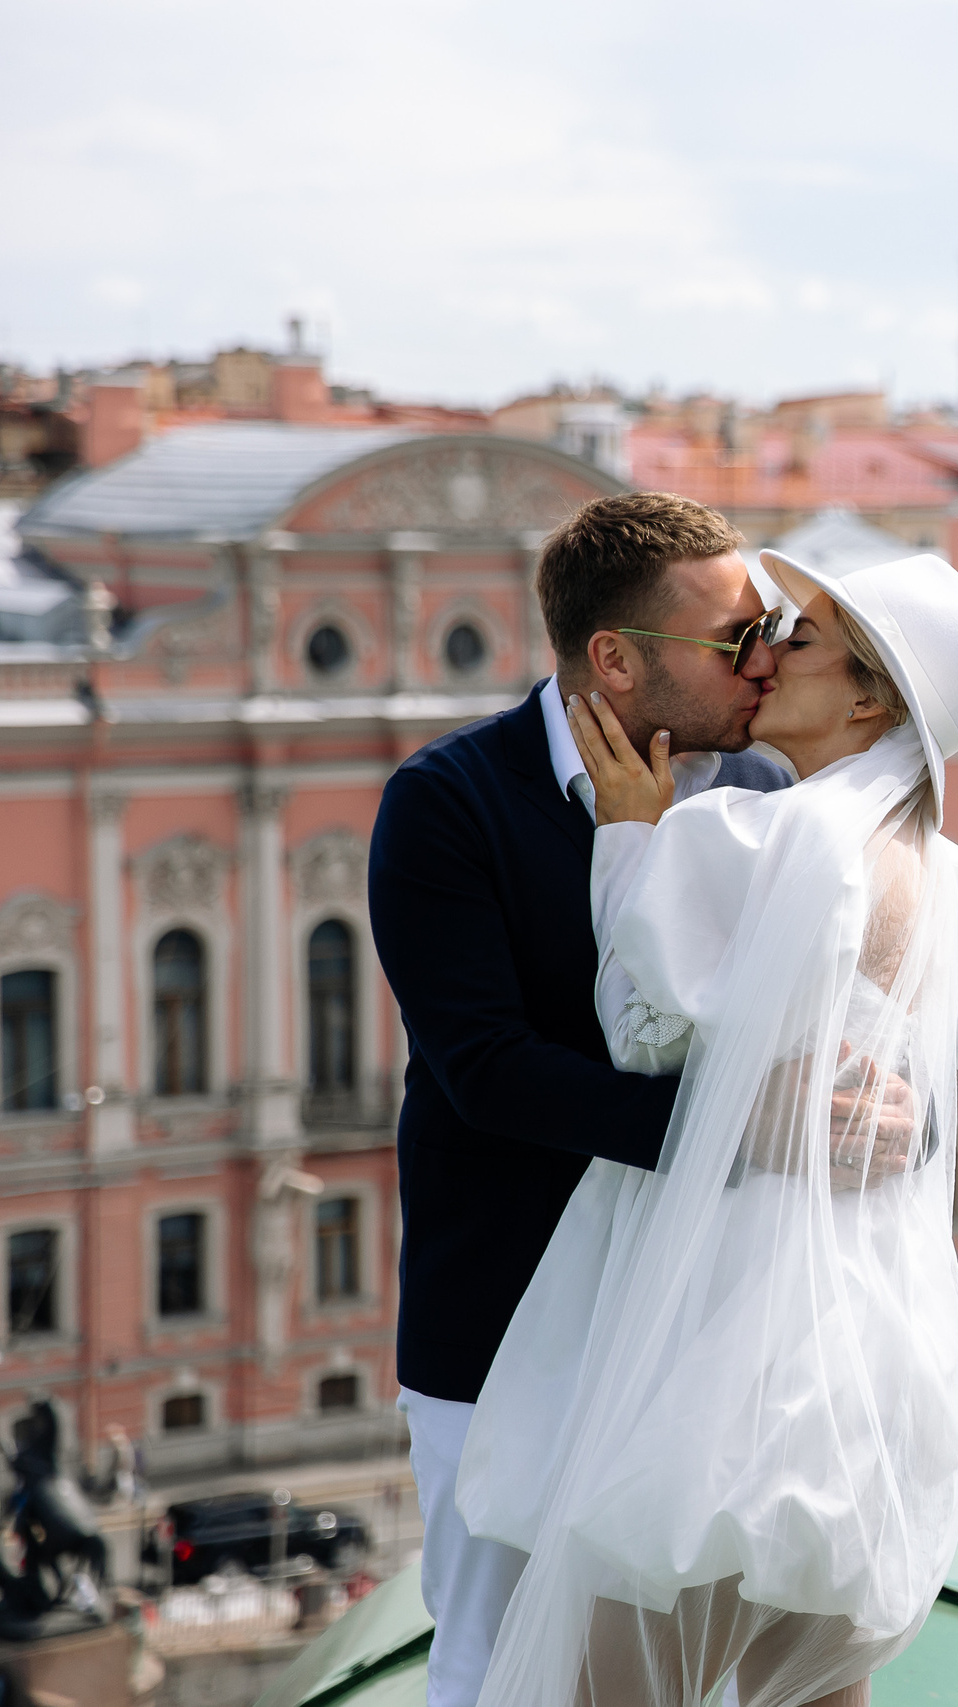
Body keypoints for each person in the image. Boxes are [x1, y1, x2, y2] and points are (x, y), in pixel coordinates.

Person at [456, 548, 958, 1707]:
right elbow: (919, 1078)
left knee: (616, 1682)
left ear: (869, 696)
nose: (763, 659)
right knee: (814, 1688)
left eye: (799, 639)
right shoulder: (957, 883)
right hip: (867, 1336)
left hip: (721, 1322)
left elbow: (641, 1031)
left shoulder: (752, 843)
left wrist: (630, 838)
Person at [369, 493, 818, 1707]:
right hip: (502, 1334)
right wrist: (747, 1130)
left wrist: (870, 1110)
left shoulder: (767, 789)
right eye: (736, 640)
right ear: (614, 659)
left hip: (691, 1332)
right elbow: (490, 1071)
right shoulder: (447, 800)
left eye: (768, 627)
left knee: (682, 1680)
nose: (767, 661)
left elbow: (832, 1017)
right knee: (496, 1668)